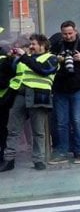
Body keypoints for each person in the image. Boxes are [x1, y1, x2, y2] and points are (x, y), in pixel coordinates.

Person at [0, 34, 58, 172]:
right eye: (30, 44)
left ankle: (38, 160)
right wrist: (10, 57)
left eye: (34, 44)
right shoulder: (25, 59)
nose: (30, 47)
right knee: (12, 129)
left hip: (39, 96)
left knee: (38, 131)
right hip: (20, 95)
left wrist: (24, 57)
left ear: (43, 45)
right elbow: (13, 71)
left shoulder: (52, 58)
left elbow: (43, 70)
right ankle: (9, 160)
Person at [48, 21, 80, 165]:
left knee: (77, 120)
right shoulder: (56, 46)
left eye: (70, 33)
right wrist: (56, 60)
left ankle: (79, 151)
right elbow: (48, 65)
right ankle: (62, 151)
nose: (68, 36)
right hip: (60, 89)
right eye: (65, 34)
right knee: (61, 122)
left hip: (79, 88)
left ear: (76, 31)